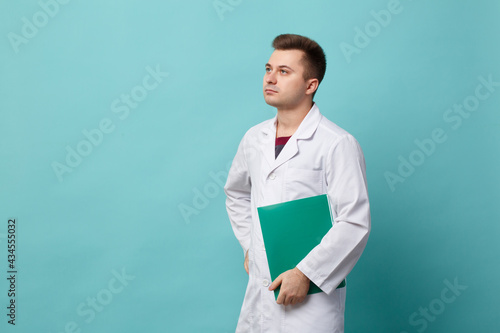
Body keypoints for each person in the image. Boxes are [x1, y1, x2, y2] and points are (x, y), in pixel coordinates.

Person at [224, 33, 371, 333]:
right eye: (268, 69)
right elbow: (236, 193)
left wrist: (306, 273)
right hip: (259, 297)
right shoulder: (254, 138)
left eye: (283, 71)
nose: (271, 78)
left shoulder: (337, 143)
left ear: (310, 85)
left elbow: (354, 221)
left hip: (310, 305)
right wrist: (250, 246)